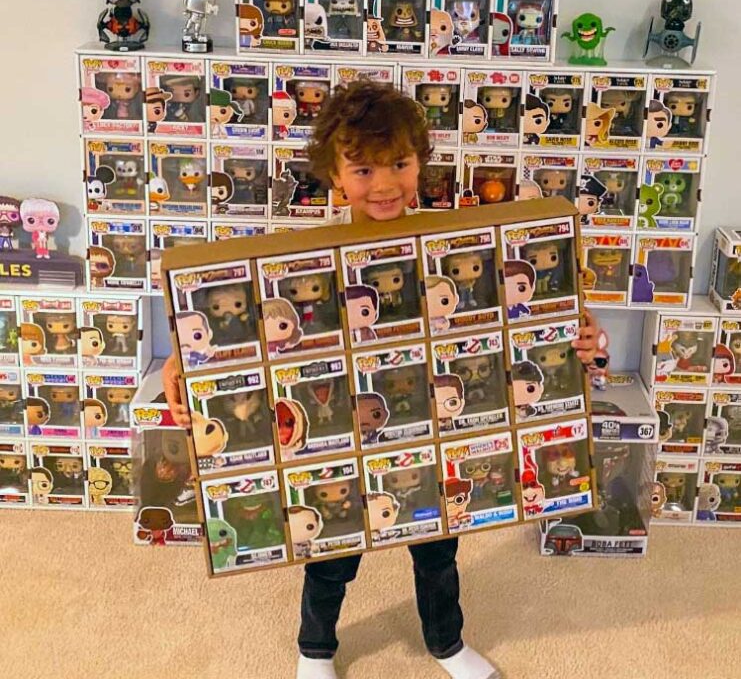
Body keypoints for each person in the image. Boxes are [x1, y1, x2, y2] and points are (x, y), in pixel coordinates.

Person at [162, 80, 602, 679]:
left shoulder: (446, 249)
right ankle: (315, 650)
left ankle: (446, 644)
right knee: (331, 555)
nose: (385, 183)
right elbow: (241, 332)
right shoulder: (306, 257)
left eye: (399, 163)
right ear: (335, 175)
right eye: (363, 169)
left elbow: (523, 318)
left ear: (421, 161)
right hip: (339, 432)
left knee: (439, 548)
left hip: (429, 425)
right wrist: (181, 364)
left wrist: (580, 336)